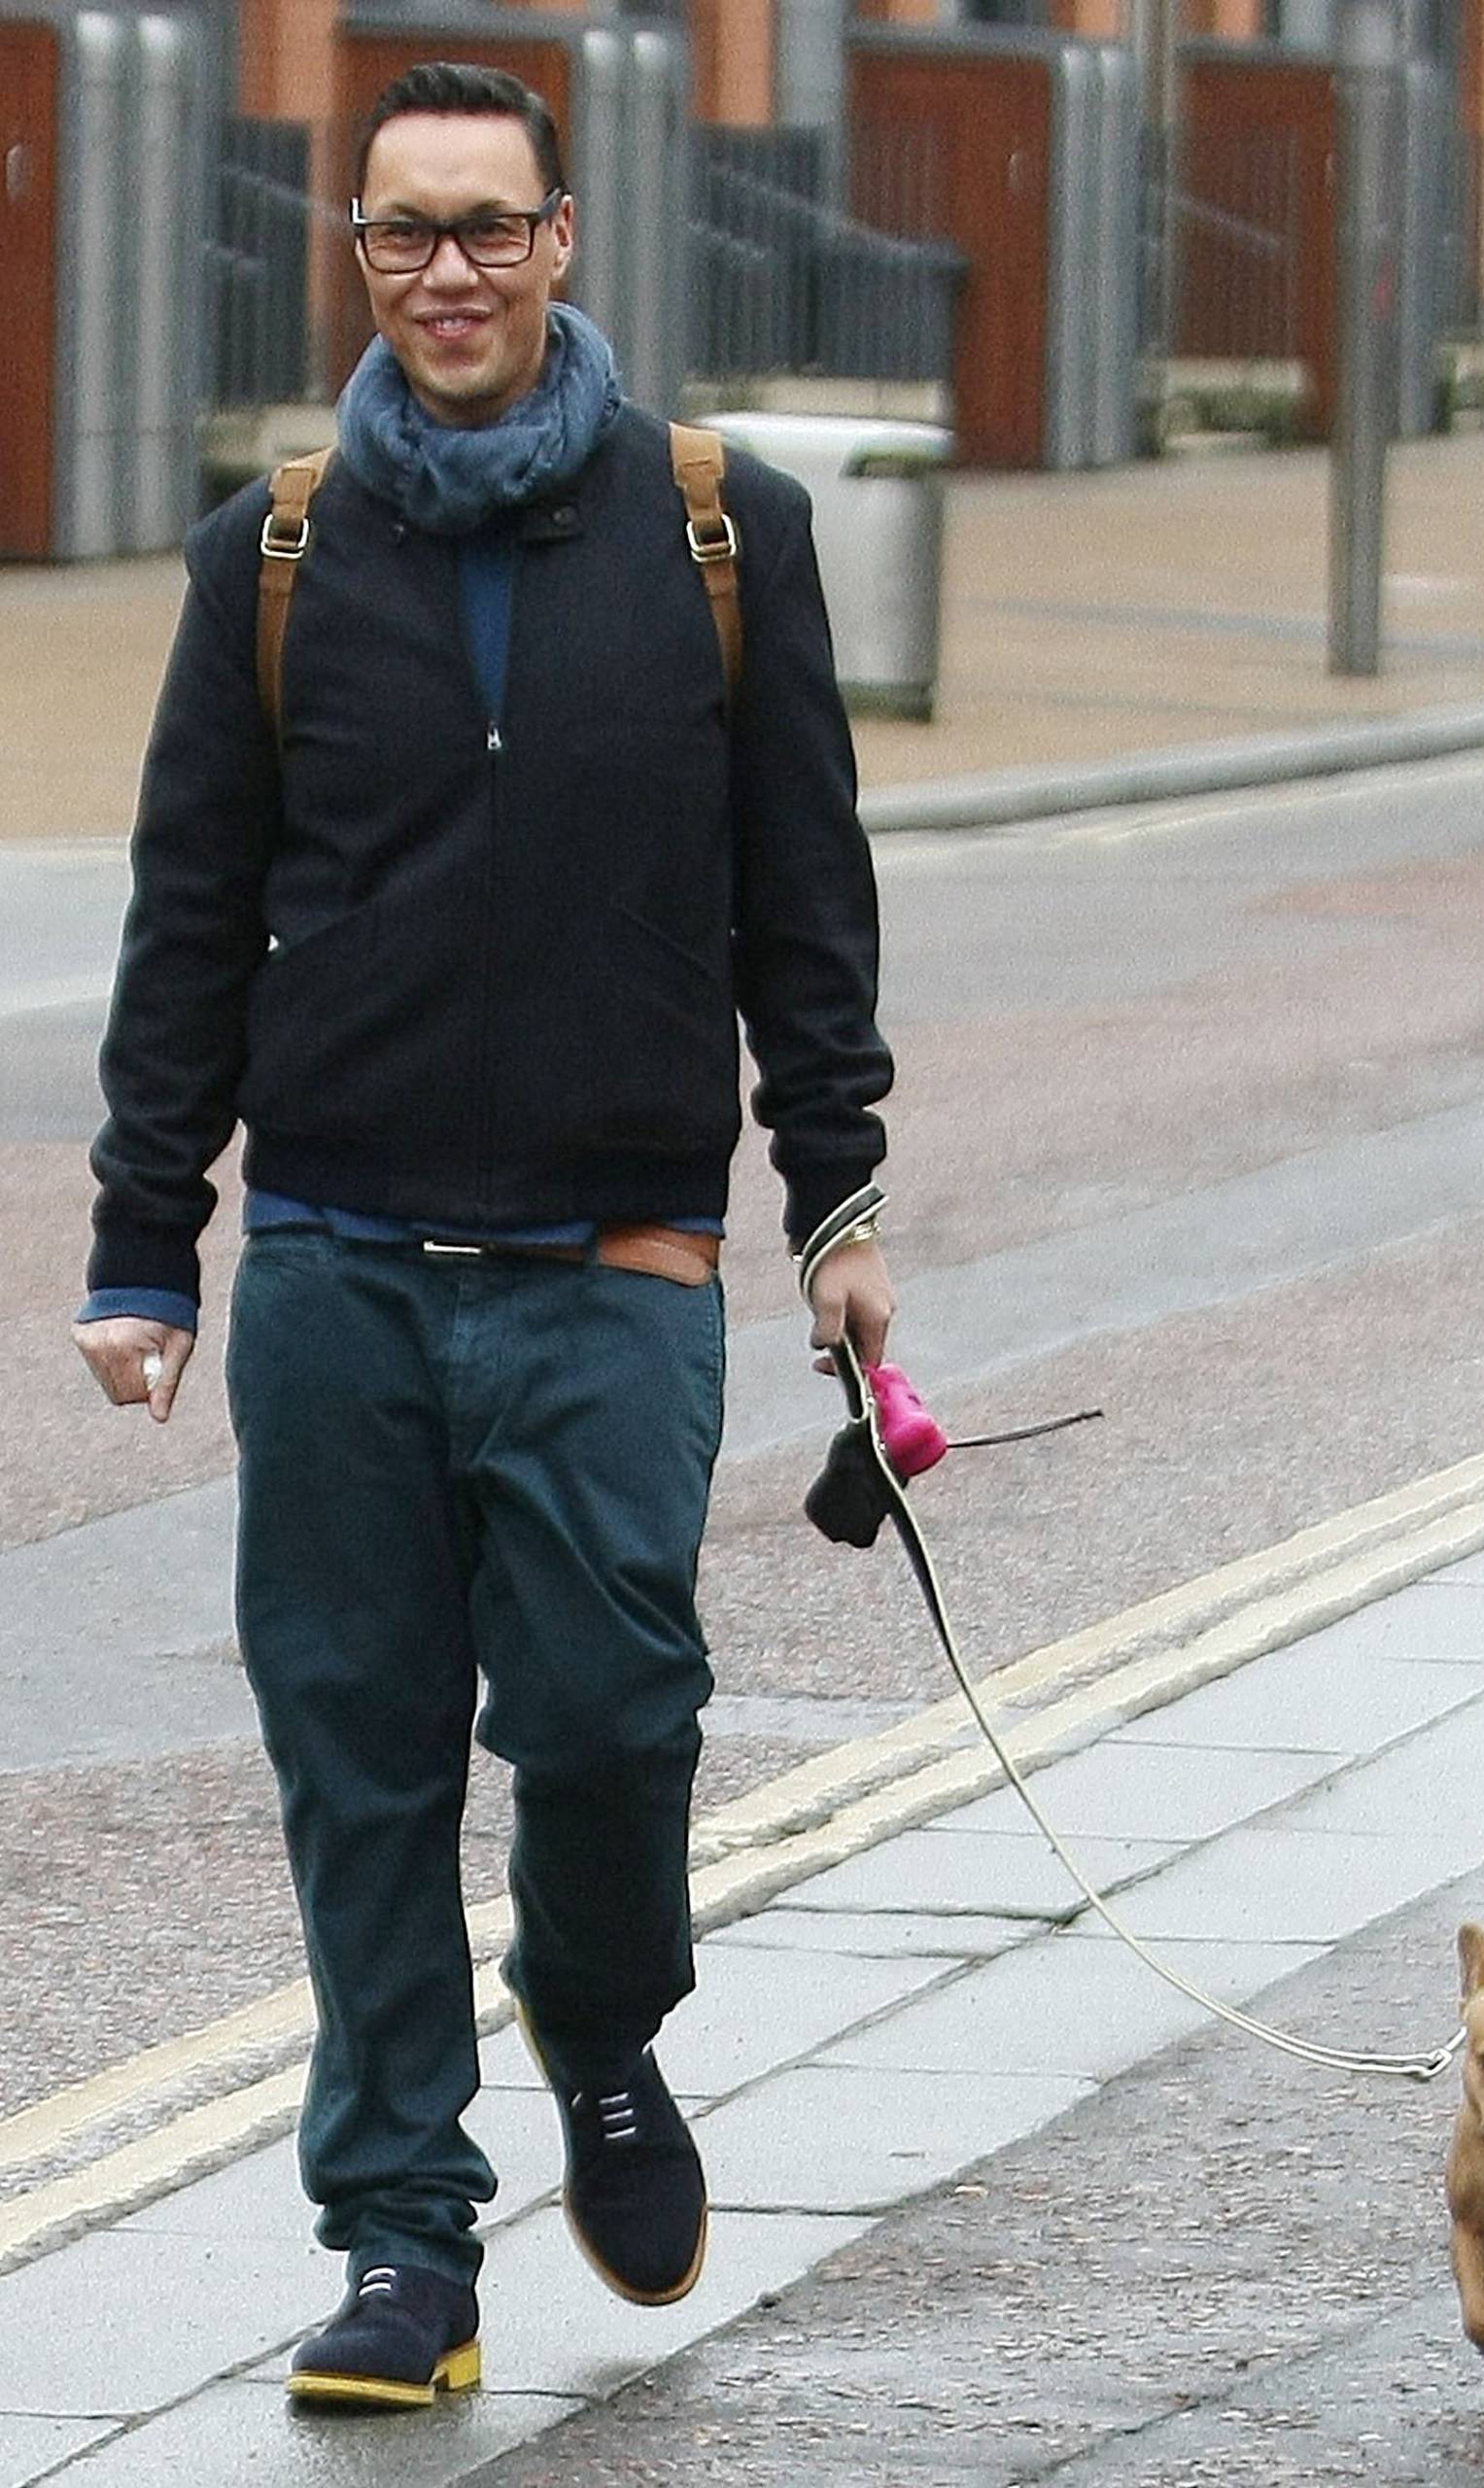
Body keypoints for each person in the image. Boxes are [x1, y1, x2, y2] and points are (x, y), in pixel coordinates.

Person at [74, 59, 893, 2412]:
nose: (448, 271)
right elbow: (192, 915)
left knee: (617, 1718)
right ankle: (404, 2239)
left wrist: (831, 1190)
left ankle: (603, 2014)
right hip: (335, 1268)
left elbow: (803, 899)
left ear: (562, 248)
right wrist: (149, 1245)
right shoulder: (273, 554)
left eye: (489, 228)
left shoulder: (724, 533)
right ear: (358, 260)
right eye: (402, 234)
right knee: (361, 1763)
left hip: (611, 1264)